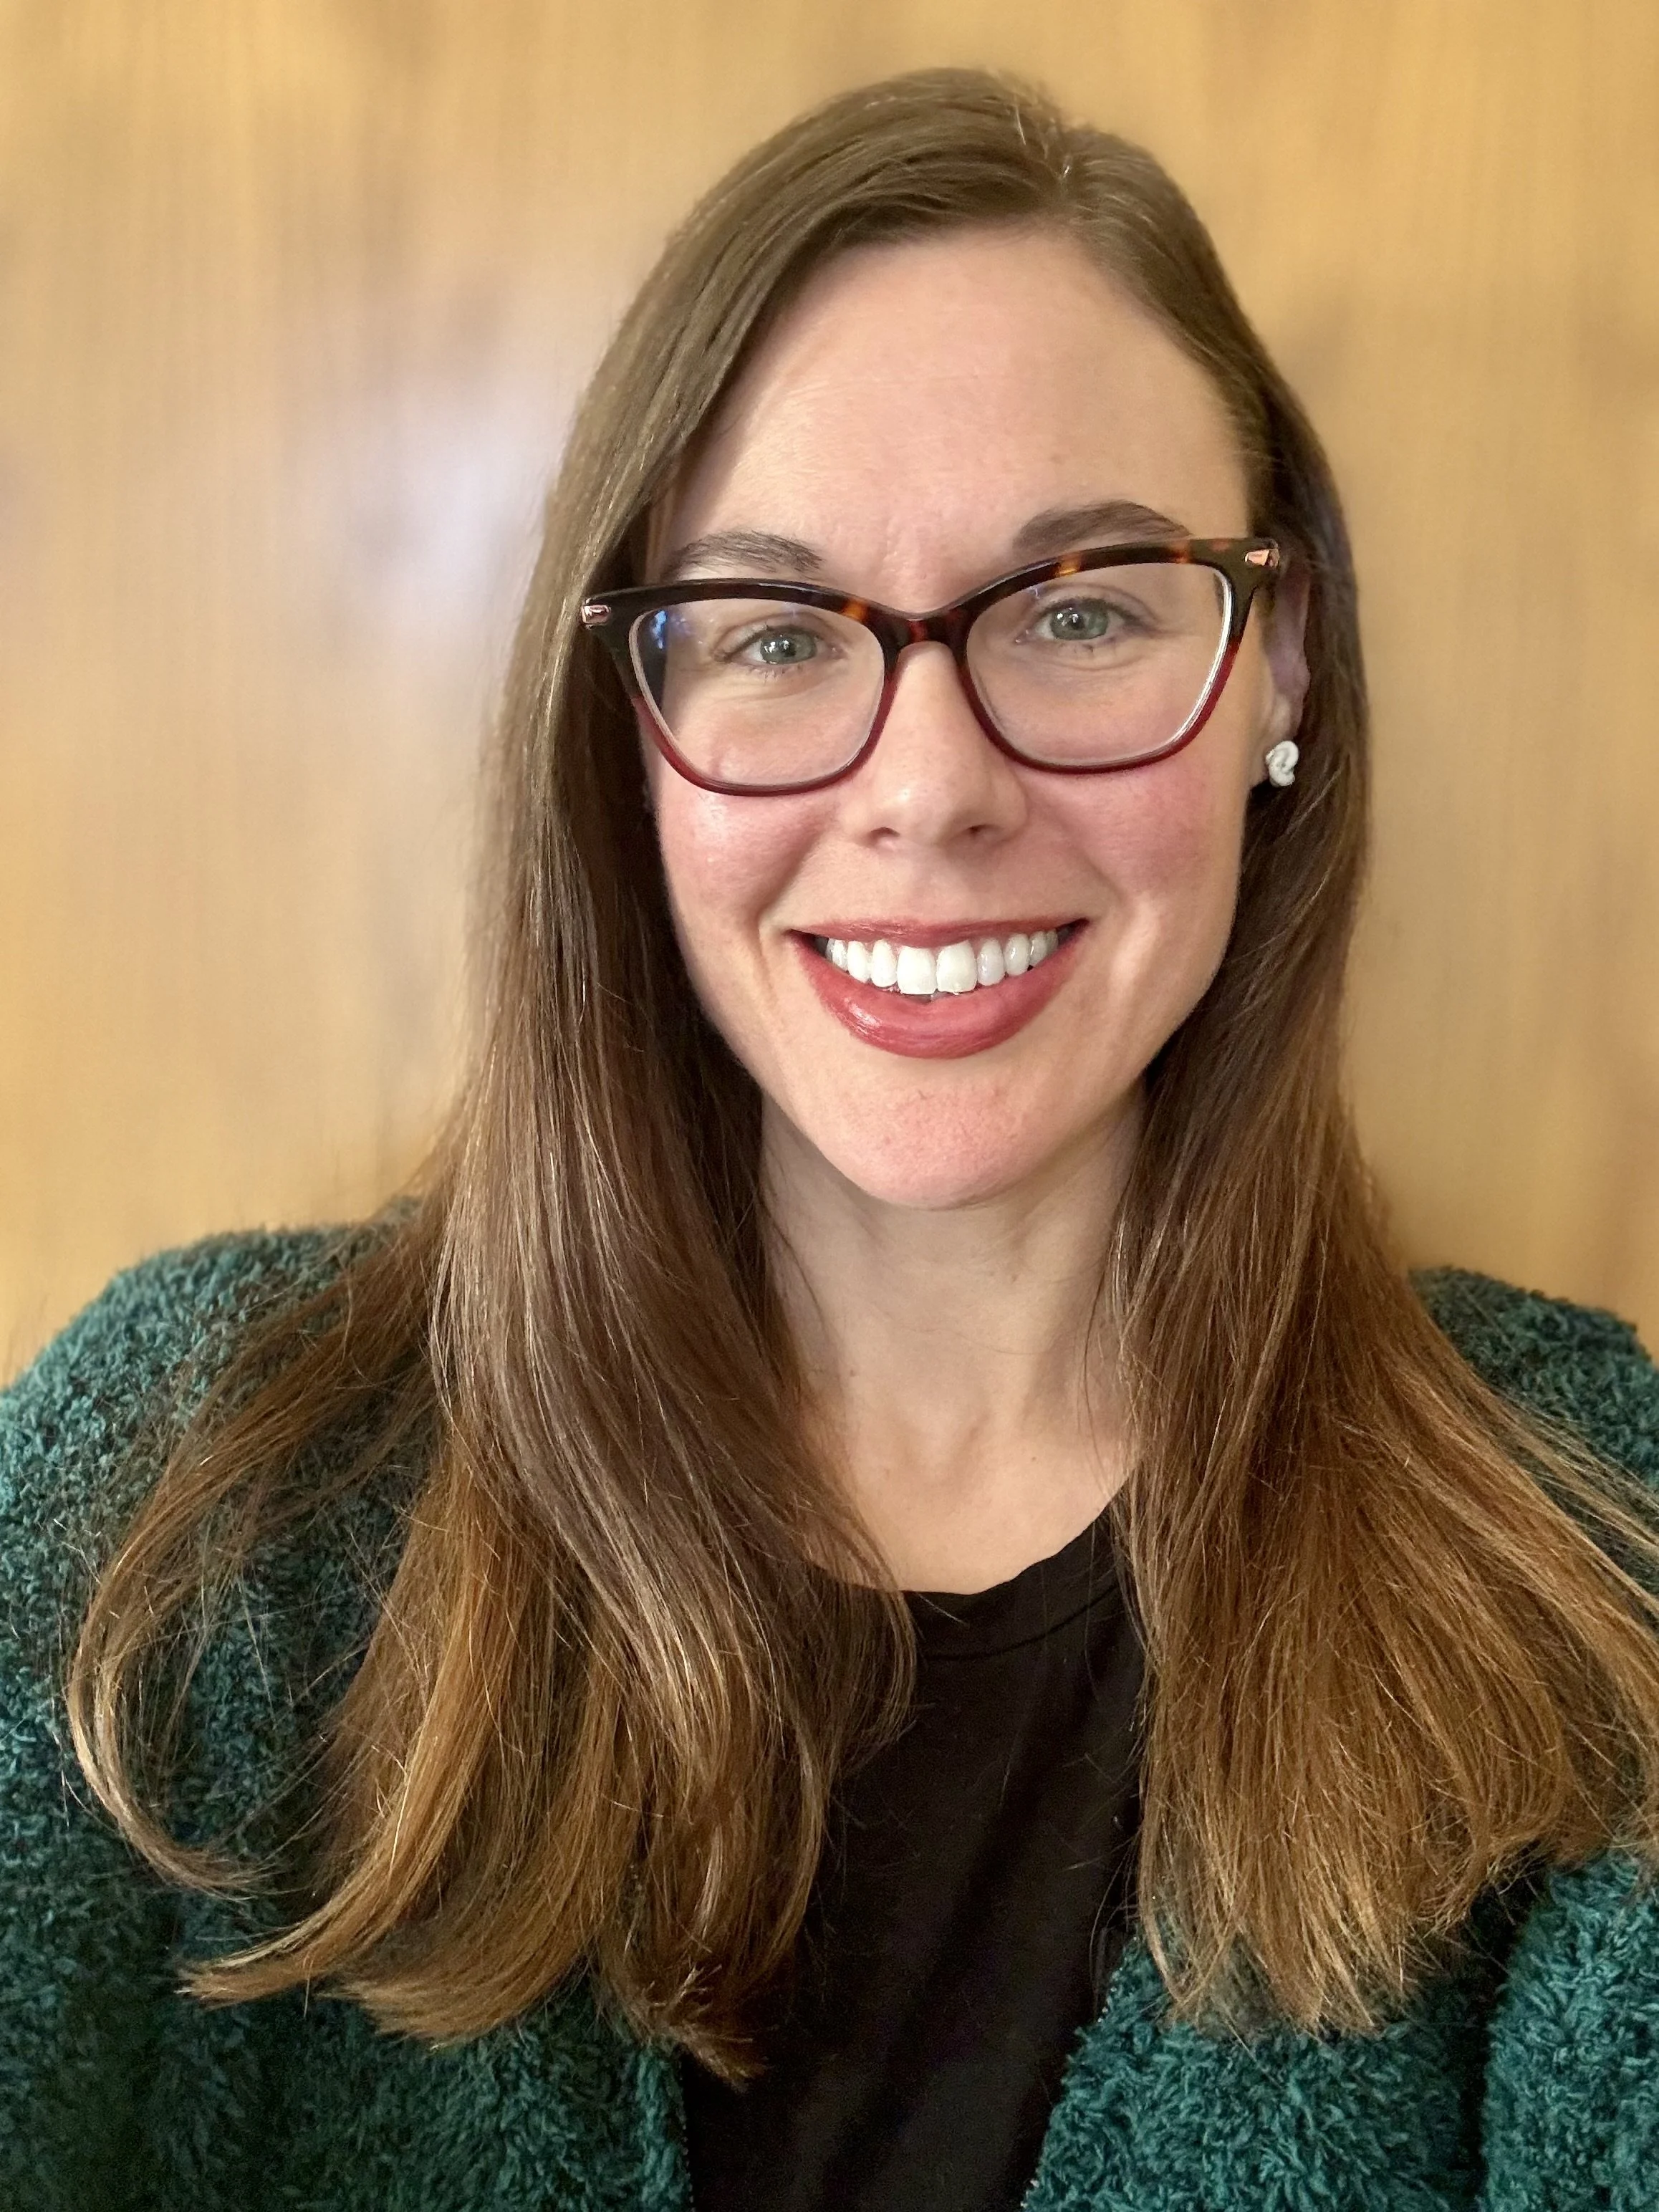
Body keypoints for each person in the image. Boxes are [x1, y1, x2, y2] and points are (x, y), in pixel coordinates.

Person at [4, 66, 1659, 2212]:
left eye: (1080, 607)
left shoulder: (1592, 1538)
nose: (927, 789)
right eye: (777, 634)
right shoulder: (184, 1488)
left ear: (1281, 672)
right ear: (629, 735)